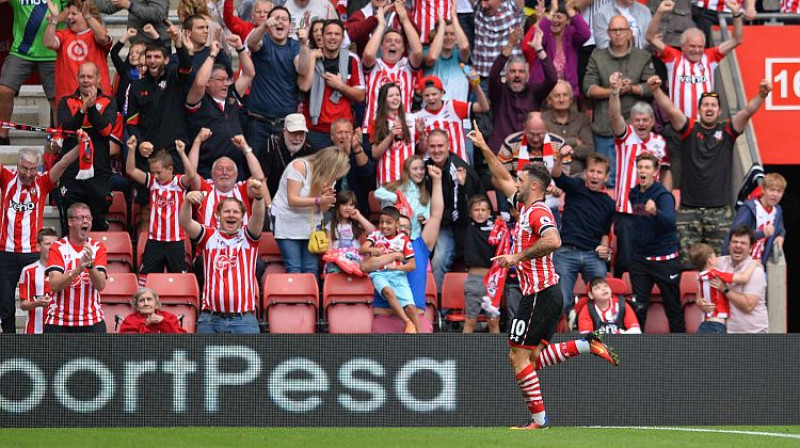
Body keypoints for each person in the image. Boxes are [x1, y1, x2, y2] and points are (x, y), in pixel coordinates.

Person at [467, 125, 619, 430]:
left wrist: (517, 257)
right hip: (544, 293)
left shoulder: (538, 213)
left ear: (534, 186)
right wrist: (484, 147)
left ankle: (539, 421)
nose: (516, 182)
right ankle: (586, 345)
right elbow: (501, 176)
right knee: (532, 358)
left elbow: (553, 241)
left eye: (521, 179)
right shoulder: (524, 207)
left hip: (539, 293)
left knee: (517, 357)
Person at [649, 75, 771, 268]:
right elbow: (671, 110)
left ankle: (714, 299)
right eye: (705, 105)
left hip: (720, 211)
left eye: (713, 105)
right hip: (689, 210)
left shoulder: (728, 130)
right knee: (687, 264)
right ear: (699, 110)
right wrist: (656, 90)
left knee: (721, 264)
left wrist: (761, 95)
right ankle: (692, 299)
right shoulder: (689, 128)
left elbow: (747, 112)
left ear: (719, 110)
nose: (709, 108)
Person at [0, 142, 80, 334]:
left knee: (42, 300)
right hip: (6, 252)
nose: (28, 174)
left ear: (39, 168)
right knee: (5, 305)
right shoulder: (7, 178)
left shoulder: (43, 181)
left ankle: (44, 341)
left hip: (33, 254)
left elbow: (63, 163)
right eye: (24, 168)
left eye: (33, 169)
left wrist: (82, 144)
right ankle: (9, 344)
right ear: (17, 166)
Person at [362, 164, 444, 334]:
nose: (404, 230)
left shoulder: (420, 245)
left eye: (407, 226)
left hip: (417, 321)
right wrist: (393, 255)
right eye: (400, 227)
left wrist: (437, 181)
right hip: (384, 318)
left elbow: (436, 215)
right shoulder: (380, 243)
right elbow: (365, 267)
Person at [180, 181, 266, 334]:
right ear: (217, 216)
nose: (231, 214)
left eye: (236, 212)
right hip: (210, 320)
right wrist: (187, 201)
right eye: (227, 211)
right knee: (203, 359)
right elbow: (185, 222)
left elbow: (259, 217)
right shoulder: (208, 235)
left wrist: (259, 197)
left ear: (243, 217)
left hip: (244, 321)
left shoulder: (248, 236)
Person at [608, 71, 670, 276]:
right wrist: (615, 92)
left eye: (645, 120)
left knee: (646, 256)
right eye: (637, 120)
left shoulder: (659, 142)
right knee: (625, 256)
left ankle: (638, 296)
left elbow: (666, 173)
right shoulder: (625, 136)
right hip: (626, 210)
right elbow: (614, 116)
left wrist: (665, 201)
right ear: (632, 121)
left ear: (652, 121)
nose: (641, 123)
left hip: (650, 209)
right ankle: (620, 292)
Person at [583, 14, 655, 188]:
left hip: (635, 130)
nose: (618, 34)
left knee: (633, 181)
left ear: (629, 32)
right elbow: (588, 88)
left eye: (622, 30)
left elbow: (651, 87)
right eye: (614, 30)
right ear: (608, 33)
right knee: (604, 180)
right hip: (605, 128)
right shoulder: (597, 56)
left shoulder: (643, 56)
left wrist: (631, 88)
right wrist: (613, 91)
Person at [645, 0, 743, 119]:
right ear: (682, 46)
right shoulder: (673, 57)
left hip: (705, 125)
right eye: (692, 46)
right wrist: (659, 12)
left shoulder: (710, 56)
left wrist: (736, 14)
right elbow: (650, 37)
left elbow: (737, 40)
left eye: (700, 46)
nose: (696, 50)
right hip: (681, 126)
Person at [551, 147, 615, 318]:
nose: (595, 175)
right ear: (586, 172)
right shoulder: (576, 187)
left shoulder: (609, 203)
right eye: (591, 171)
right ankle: (559, 337)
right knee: (561, 301)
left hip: (592, 255)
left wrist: (604, 248)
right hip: (566, 252)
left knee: (601, 298)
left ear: (606, 177)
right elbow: (557, 175)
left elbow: (605, 233)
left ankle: (593, 332)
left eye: (599, 172)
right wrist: (559, 157)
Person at [57, 62, 119, 232]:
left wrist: (91, 108)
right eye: (82, 76)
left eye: (90, 76)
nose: (86, 80)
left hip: (98, 172)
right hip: (71, 172)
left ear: (98, 79)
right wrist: (83, 109)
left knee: (97, 223)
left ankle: (96, 258)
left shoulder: (109, 101)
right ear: (77, 79)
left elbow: (106, 129)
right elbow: (67, 130)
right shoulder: (66, 101)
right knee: (69, 225)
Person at [627, 151, 684, 332]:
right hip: (640, 261)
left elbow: (670, 222)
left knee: (673, 307)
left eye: (647, 167)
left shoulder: (663, 196)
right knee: (639, 307)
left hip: (664, 260)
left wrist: (656, 213)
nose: (642, 171)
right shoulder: (634, 193)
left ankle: (681, 351)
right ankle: (636, 351)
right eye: (640, 167)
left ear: (655, 172)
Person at [126, 24, 194, 176]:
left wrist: (178, 43)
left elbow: (186, 66)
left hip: (174, 150)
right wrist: (140, 142)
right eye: (149, 57)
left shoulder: (174, 77)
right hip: (148, 152)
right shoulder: (136, 87)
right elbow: (131, 121)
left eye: (157, 57)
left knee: (175, 194)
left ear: (166, 60)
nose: (152, 61)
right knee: (148, 196)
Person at [270, 148, 351, 275]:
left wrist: (326, 202)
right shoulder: (299, 167)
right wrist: (319, 200)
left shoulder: (331, 178)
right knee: (294, 267)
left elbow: (323, 209)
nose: (336, 177)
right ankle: (295, 295)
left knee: (311, 268)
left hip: (311, 225)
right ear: (330, 166)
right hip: (287, 221)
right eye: (336, 172)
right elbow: (292, 200)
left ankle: (310, 294)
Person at [126, 136, 195, 282]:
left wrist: (182, 153)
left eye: (158, 172)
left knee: (179, 281)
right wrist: (131, 151)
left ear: (170, 169)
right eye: (153, 172)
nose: (155, 176)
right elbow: (131, 170)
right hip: (154, 241)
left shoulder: (178, 183)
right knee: (145, 279)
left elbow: (191, 175)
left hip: (175, 241)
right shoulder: (152, 182)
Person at [185, 34, 254, 179]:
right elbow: (199, 83)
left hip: (235, 167)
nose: (226, 84)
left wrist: (240, 49)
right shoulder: (199, 100)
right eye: (221, 80)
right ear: (209, 82)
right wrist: (212, 55)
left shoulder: (232, 96)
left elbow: (249, 74)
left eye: (227, 80)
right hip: (208, 170)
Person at [425, 129, 484, 291]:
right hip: (432, 223)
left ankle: (437, 306)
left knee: (439, 259)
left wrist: (433, 220)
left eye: (440, 146)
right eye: (432, 146)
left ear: (448, 146)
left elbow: (458, 213)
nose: (436, 150)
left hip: (456, 226)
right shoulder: (424, 166)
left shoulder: (458, 169)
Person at [245, 6, 311, 151]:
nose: (280, 22)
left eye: (284, 19)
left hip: (285, 123)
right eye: (276, 18)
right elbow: (251, 44)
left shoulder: (294, 45)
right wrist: (263, 26)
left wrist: (304, 43)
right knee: (255, 169)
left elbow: (303, 69)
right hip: (259, 121)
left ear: (290, 25)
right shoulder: (264, 41)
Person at [0, 0, 66, 145]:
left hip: (51, 52)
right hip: (21, 51)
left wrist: (57, 18)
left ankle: (58, 139)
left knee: (57, 100)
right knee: (4, 90)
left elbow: (71, 9)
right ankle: (2, 136)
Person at [486, 26, 556, 159]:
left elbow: (552, 79)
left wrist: (539, 49)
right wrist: (510, 45)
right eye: (512, 71)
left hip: (529, 150)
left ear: (528, 75)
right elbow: (493, 75)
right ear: (506, 75)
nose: (517, 75)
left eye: (521, 71)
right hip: (500, 152)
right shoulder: (499, 92)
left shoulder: (535, 92)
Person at [298, 19, 366, 150]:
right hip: (314, 129)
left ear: (342, 38)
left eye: (337, 34)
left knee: (343, 169)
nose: (333, 37)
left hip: (342, 130)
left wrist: (340, 86)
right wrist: (312, 58)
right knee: (317, 170)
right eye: (329, 33)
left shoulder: (352, 60)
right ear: (321, 36)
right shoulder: (309, 56)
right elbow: (303, 86)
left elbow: (360, 96)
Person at [45, 203, 108, 333]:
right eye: (80, 218)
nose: (85, 221)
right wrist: (78, 269)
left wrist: (90, 266)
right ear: (70, 222)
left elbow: (101, 285)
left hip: (92, 321)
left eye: (88, 218)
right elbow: (54, 285)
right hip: (59, 321)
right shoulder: (57, 248)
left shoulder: (98, 247)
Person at [361, 2, 423, 132]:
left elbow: (417, 51)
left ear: (403, 48)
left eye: (397, 41)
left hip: (401, 129)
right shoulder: (375, 65)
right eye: (388, 41)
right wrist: (381, 25)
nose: (392, 44)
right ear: (381, 47)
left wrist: (405, 20)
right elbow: (367, 53)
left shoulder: (407, 66)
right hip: (374, 129)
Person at [188, 129, 269, 228]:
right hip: (210, 241)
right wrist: (197, 142)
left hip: (240, 241)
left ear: (236, 174)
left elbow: (259, 178)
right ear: (212, 174)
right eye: (219, 168)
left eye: (229, 169)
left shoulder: (242, 189)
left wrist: (245, 148)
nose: (224, 172)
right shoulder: (206, 187)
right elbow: (190, 175)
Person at [361, 206, 422, 333]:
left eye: (389, 222)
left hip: (398, 275)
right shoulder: (376, 235)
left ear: (397, 224)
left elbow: (412, 265)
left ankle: (421, 339)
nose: (383, 226)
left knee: (411, 308)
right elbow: (362, 249)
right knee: (388, 292)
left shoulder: (403, 240)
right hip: (379, 274)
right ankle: (407, 322)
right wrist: (371, 249)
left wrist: (396, 267)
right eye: (381, 222)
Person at [43, 0, 112, 108]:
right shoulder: (64, 35)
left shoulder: (96, 34)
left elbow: (103, 38)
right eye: (69, 13)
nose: (69, 17)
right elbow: (49, 43)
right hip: (68, 101)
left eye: (74, 14)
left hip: (98, 99)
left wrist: (88, 16)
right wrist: (54, 20)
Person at [522, 0, 590, 99]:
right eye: (553, 16)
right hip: (543, 93)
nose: (554, 20)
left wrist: (570, 10)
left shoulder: (571, 36)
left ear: (567, 21)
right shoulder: (545, 34)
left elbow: (585, 34)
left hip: (567, 93)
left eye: (559, 17)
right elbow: (536, 38)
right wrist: (552, 10)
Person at [415, 74, 489, 164]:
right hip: (433, 168)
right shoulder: (418, 117)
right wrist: (422, 135)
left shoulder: (453, 106)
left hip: (459, 165)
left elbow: (484, 107)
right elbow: (421, 152)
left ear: (442, 93)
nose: (431, 98)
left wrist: (476, 85)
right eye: (427, 95)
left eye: (434, 94)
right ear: (422, 96)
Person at [688, 242, 757, 334]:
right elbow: (743, 278)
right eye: (714, 256)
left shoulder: (699, 277)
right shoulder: (714, 274)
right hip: (716, 324)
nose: (717, 258)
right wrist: (754, 262)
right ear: (710, 261)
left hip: (705, 323)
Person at [710, 225, 767, 334]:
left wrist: (724, 289)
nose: (738, 246)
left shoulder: (755, 271)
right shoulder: (719, 263)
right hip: (727, 330)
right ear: (729, 245)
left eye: (743, 243)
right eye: (734, 242)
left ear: (751, 248)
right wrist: (700, 301)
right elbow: (701, 274)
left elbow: (748, 305)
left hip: (753, 331)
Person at [724, 173, 786, 265]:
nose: (775, 194)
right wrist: (762, 233)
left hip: (759, 264)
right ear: (763, 190)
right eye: (772, 190)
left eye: (779, 191)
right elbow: (736, 235)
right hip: (739, 263)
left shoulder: (777, 210)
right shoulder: (749, 208)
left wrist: (781, 236)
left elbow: (780, 228)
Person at [462, 194, 500, 333]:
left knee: (493, 321)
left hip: (492, 281)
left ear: (489, 212)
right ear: (470, 212)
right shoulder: (467, 227)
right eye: (476, 209)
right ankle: (463, 353)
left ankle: (496, 353)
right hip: (473, 280)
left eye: (483, 210)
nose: (480, 213)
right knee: (470, 320)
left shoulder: (497, 230)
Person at [542, 80, 594, 176]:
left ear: (571, 99)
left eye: (565, 95)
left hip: (577, 176)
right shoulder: (542, 120)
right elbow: (542, 149)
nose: (561, 99)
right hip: (550, 174)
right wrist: (574, 142)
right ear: (549, 100)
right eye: (557, 96)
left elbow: (589, 150)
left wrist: (559, 151)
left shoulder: (582, 119)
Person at [260, 114, 315, 200]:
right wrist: (269, 206)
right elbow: (262, 180)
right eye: (293, 133)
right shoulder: (271, 144)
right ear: (284, 131)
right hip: (272, 197)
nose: (297, 139)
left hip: (300, 201)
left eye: (301, 134)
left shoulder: (311, 149)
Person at [371, 83, 417, 186]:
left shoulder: (411, 119)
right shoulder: (377, 122)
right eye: (391, 96)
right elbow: (375, 154)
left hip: (410, 179)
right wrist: (390, 135)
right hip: (387, 179)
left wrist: (422, 135)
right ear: (383, 99)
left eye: (397, 95)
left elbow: (421, 149)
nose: (395, 98)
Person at [375, 156, 431, 240]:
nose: (419, 172)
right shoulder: (397, 185)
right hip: (394, 235)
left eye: (422, 168)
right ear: (407, 171)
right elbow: (377, 193)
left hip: (414, 236)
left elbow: (427, 211)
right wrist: (395, 198)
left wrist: (425, 216)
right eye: (415, 169)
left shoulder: (424, 191)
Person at [18, 228, 59, 334]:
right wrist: (37, 303)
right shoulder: (28, 271)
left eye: (55, 244)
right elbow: (23, 304)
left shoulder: (66, 270)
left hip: (60, 329)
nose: (52, 247)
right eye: (48, 244)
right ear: (38, 247)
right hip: (35, 330)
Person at [422, 13, 472, 102]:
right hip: (432, 112)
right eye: (445, 34)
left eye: (452, 34)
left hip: (457, 111)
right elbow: (432, 57)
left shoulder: (461, 56)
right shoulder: (427, 52)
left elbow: (464, 46)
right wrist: (441, 27)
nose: (449, 38)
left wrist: (455, 18)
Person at [329, 119, 374, 217]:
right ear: (332, 137)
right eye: (339, 132)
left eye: (347, 132)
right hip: (333, 208)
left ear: (353, 134)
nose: (344, 136)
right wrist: (345, 153)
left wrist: (356, 148)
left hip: (358, 207)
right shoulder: (327, 155)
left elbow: (367, 172)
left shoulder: (361, 150)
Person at [323, 191, 375, 274]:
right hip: (338, 257)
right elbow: (329, 248)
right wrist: (335, 257)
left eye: (351, 205)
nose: (348, 208)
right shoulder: (331, 225)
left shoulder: (357, 224)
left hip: (356, 256)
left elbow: (373, 232)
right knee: (335, 267)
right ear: (338, 206)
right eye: (344, 204)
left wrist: (359, 217)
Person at [472, 0, 525, 80]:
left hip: (506, 79)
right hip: (481, 78)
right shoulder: (478, 7)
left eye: (486, 0)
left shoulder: (513, 7)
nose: (483, 5)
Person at [577, 276, 641, 334]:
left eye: (606, 286)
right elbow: (584, 336)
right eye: (597, 288)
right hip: (598, 345)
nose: (604, 289)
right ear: (591, 295)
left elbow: (636, 330)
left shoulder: (623, 306)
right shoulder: (587, 309)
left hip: (622, 343)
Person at [119, 287, 187, 333]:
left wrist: (163, 322)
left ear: (156, 304)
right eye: (141, 301)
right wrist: (146, 326)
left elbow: (182, 340)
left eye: (149, 299)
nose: (146, 303)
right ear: (137, 306)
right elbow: (128, 345)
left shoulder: (169, 317)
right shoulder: (129, 320)